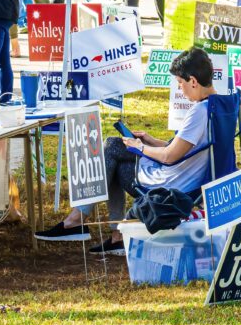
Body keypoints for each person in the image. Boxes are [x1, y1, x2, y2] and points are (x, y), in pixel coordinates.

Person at [38, 48, 219, 255]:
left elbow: (170, 156)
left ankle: (79, 221)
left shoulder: (198, 112)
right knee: (113, 151)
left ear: (193, 81)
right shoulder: (220, 105)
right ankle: (111, 234)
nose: (181, 89)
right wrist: (151, 141)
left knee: (112, 148)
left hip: (172, 185)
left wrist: (141, 147)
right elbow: (188, 147)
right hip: (190, 178)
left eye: (180, 83)